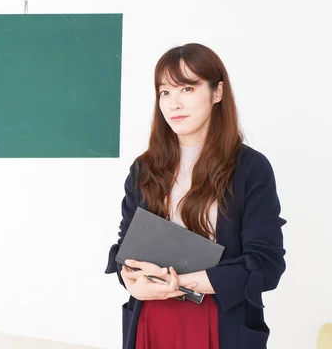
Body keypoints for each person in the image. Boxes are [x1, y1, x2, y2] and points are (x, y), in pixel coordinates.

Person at [105, 43, 286, 349]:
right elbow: (127, 246)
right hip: (152, 319)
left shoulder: (250, 168)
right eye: (165, 92)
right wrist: (133, 283)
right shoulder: (145, 168)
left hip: (219, 323)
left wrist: (178, 283)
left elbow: (266, 266)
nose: (173, 103)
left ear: (217, 93)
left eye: (186, 89)